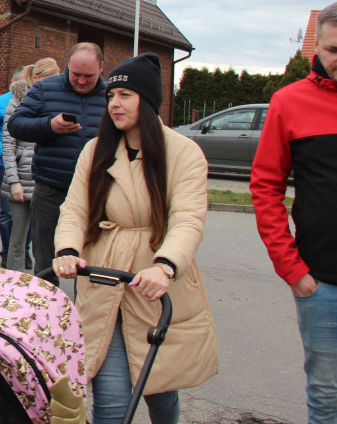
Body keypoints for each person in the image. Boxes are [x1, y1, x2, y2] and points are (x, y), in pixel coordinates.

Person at [53, 53, 218, 424]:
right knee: (111, 403)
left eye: (125, 95)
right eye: (111, 96)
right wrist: (67, 249)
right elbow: (75, 210)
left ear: (148, 101)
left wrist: (166, 266)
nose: (115, 103)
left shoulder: (183, 153)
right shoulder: (95, 151)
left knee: (159, 391)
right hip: (105, 279)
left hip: (153, 284)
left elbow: (188, 219)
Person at [251, 0, 337, 424]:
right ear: (318, 48)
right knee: (328, 396)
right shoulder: (289, 102)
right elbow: (265, 187)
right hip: (323, 283)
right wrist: (292, 269)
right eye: (334, 50)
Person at [7, 43, 106, 275]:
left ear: (101, 68)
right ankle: (47, 310)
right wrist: (49, 125)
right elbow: (15, 125)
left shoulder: (112, 96)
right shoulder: (44, 89)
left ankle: (87, 310)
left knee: (93, 262)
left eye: (88, 76)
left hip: (97, 191)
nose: (81, 81)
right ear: (67, 67)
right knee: (45, 261)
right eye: (76, 75)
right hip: (51, 189)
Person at [2, 59, 60, 271]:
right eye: (48, 79)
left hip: (46, 180)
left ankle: (41, 287)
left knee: (44, 242)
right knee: (18, 238)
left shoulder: (58, 101)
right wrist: (14, 181)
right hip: (21, 178)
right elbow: (8, 143)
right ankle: (13, 285)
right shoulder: (17, 101)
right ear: (36, 79)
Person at [0, 66, 27, 266]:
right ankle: (7, 251)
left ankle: (24, 249)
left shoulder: (34, 100)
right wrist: (4, 152)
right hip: (5, 164)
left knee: (31, 210)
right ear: (13, 81)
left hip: (30, 165)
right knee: (9, 211)